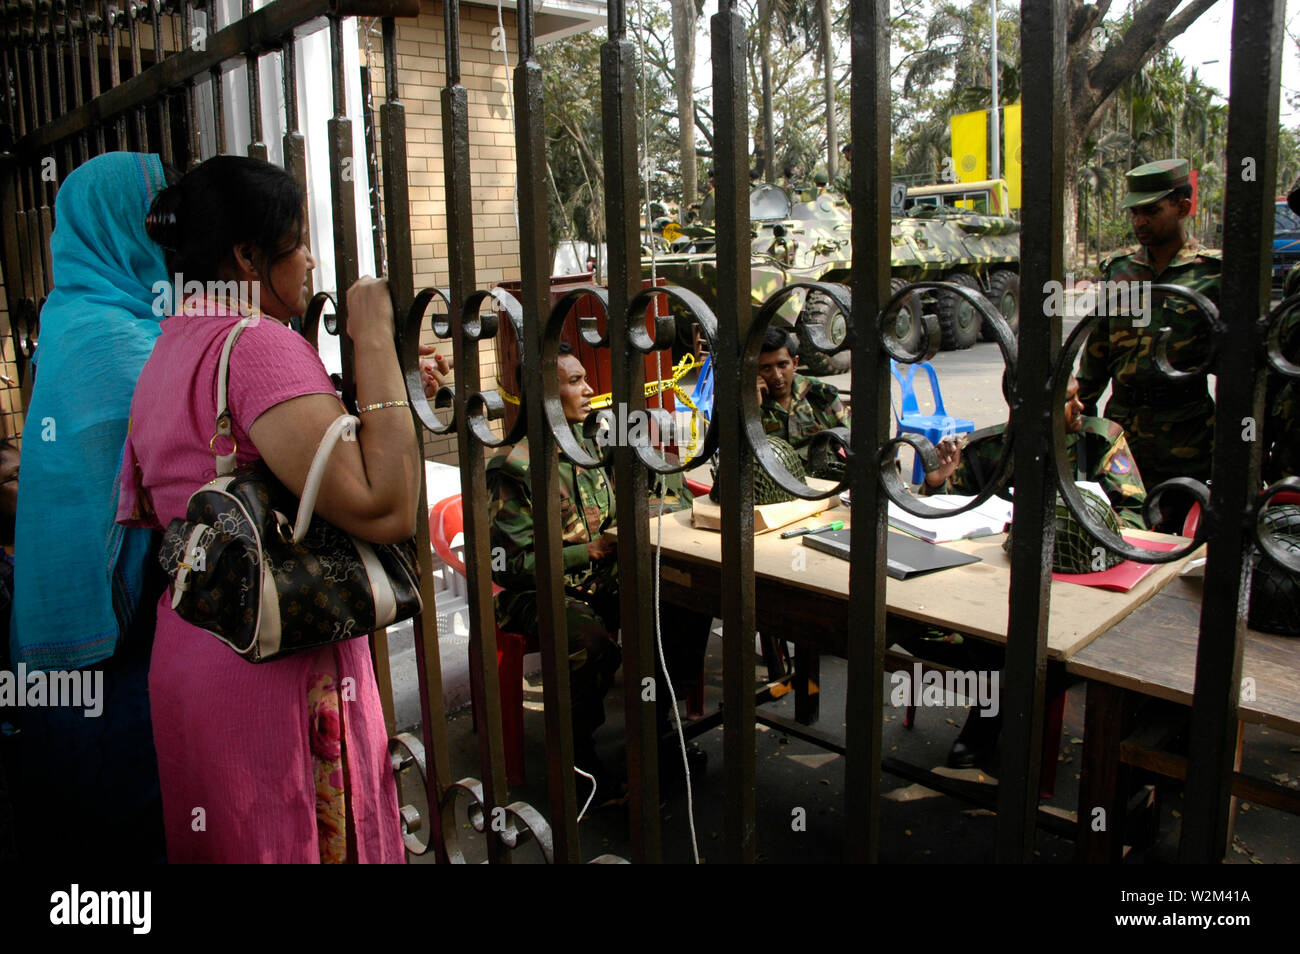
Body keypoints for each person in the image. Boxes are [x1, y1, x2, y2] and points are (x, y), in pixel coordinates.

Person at [116, 155, 414, 862]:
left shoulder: (169, 345)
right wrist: (372, 330)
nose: (311, 260)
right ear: (249, 256)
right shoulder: (254, 347)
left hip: (195, 648)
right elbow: (386, 507)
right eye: (298, 239)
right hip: (271, 668)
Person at [10, 152, 169, 863]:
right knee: (130, 825)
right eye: (156, 217)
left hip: (59, 630)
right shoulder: (118, 339)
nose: (169, 234)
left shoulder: (69, 315)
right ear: (119, 228)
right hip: (118, 643)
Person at [487, 344, 710, 800]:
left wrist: (646, 498)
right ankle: (576, 761)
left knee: (688, 594)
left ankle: (658, 725)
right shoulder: (514, 466)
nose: (590, 390)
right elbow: (509, 565)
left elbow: (667, 485)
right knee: (591, 644)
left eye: (586, 379)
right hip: (541, 590)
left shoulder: (595, 439)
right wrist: (585, 551)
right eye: (575, 382)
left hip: (605, 574)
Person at [1075, 159, 1220, 514]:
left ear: (1183, 207)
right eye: (1135, 212)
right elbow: (1097, 353)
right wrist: (1079, 416)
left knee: (1181, 535)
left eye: (1152, 211)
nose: (1140, 222)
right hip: (1122, 433)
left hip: (1186, 432)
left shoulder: (1212, 275)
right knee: (1121, 530)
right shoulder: (1120, 270)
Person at [923, 377, 1149, 528]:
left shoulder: (1100, 442)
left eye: (1077, 395)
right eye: (1068, 400)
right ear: (1031, 407)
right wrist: (936, 484)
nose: (1080, 406)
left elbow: (1137, 518)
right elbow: (942, 521)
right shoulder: (981, 450)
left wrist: (1098, 520)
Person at [757, 326, 851, 467]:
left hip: (823, 481)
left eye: (782, 365)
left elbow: (851, 437)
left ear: (795, 363)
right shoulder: (751, 401)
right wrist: (752, 407)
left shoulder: (819, 394)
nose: (777, 375)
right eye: (766, 368)